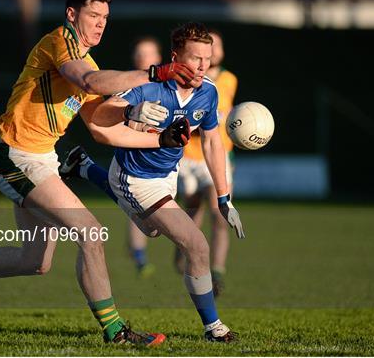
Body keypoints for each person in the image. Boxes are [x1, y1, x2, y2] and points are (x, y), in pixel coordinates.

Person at [0, 0, 194, 346]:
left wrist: (158, 137)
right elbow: (90, 82)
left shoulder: (89, 60)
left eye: (105, 17)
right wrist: (153, 73)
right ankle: (115, 331)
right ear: (72, 14)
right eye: (94, 14)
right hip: (16, 156)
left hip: (41, 160)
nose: (101, 23)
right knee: (91, 233)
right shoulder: (60, 43)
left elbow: (103, 129)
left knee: (35, 262)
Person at [60, 22, 244, 342]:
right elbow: (102, 116)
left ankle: (86, 169)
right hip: (135, 178)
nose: (203, 65)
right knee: (197, 244)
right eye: (195, 58)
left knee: (153, 229)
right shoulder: (149, 87)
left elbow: (213, 143)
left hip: (167, 175)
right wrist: (131, 109)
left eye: (207, 58)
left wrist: (224, 198)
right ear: (175, 57)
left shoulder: (209, 93)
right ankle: (213, 326)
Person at [175, 29, 238, 296]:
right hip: (188, 156)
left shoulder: (229, 80)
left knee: (219, 213)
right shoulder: (186, 80)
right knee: (192, 211)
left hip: (217, 156)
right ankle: (182, 249)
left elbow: (227, 119)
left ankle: (218, 272)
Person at [127, 36, 162, 277]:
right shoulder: (129, 87)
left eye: (147, 53)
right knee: (139, 211)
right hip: (134, 160)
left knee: (155, 222)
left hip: (165, 161)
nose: (142, 58)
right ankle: (139, 256)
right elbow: (121, 123)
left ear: (158, 58)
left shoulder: (170, 87)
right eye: (139, 53)